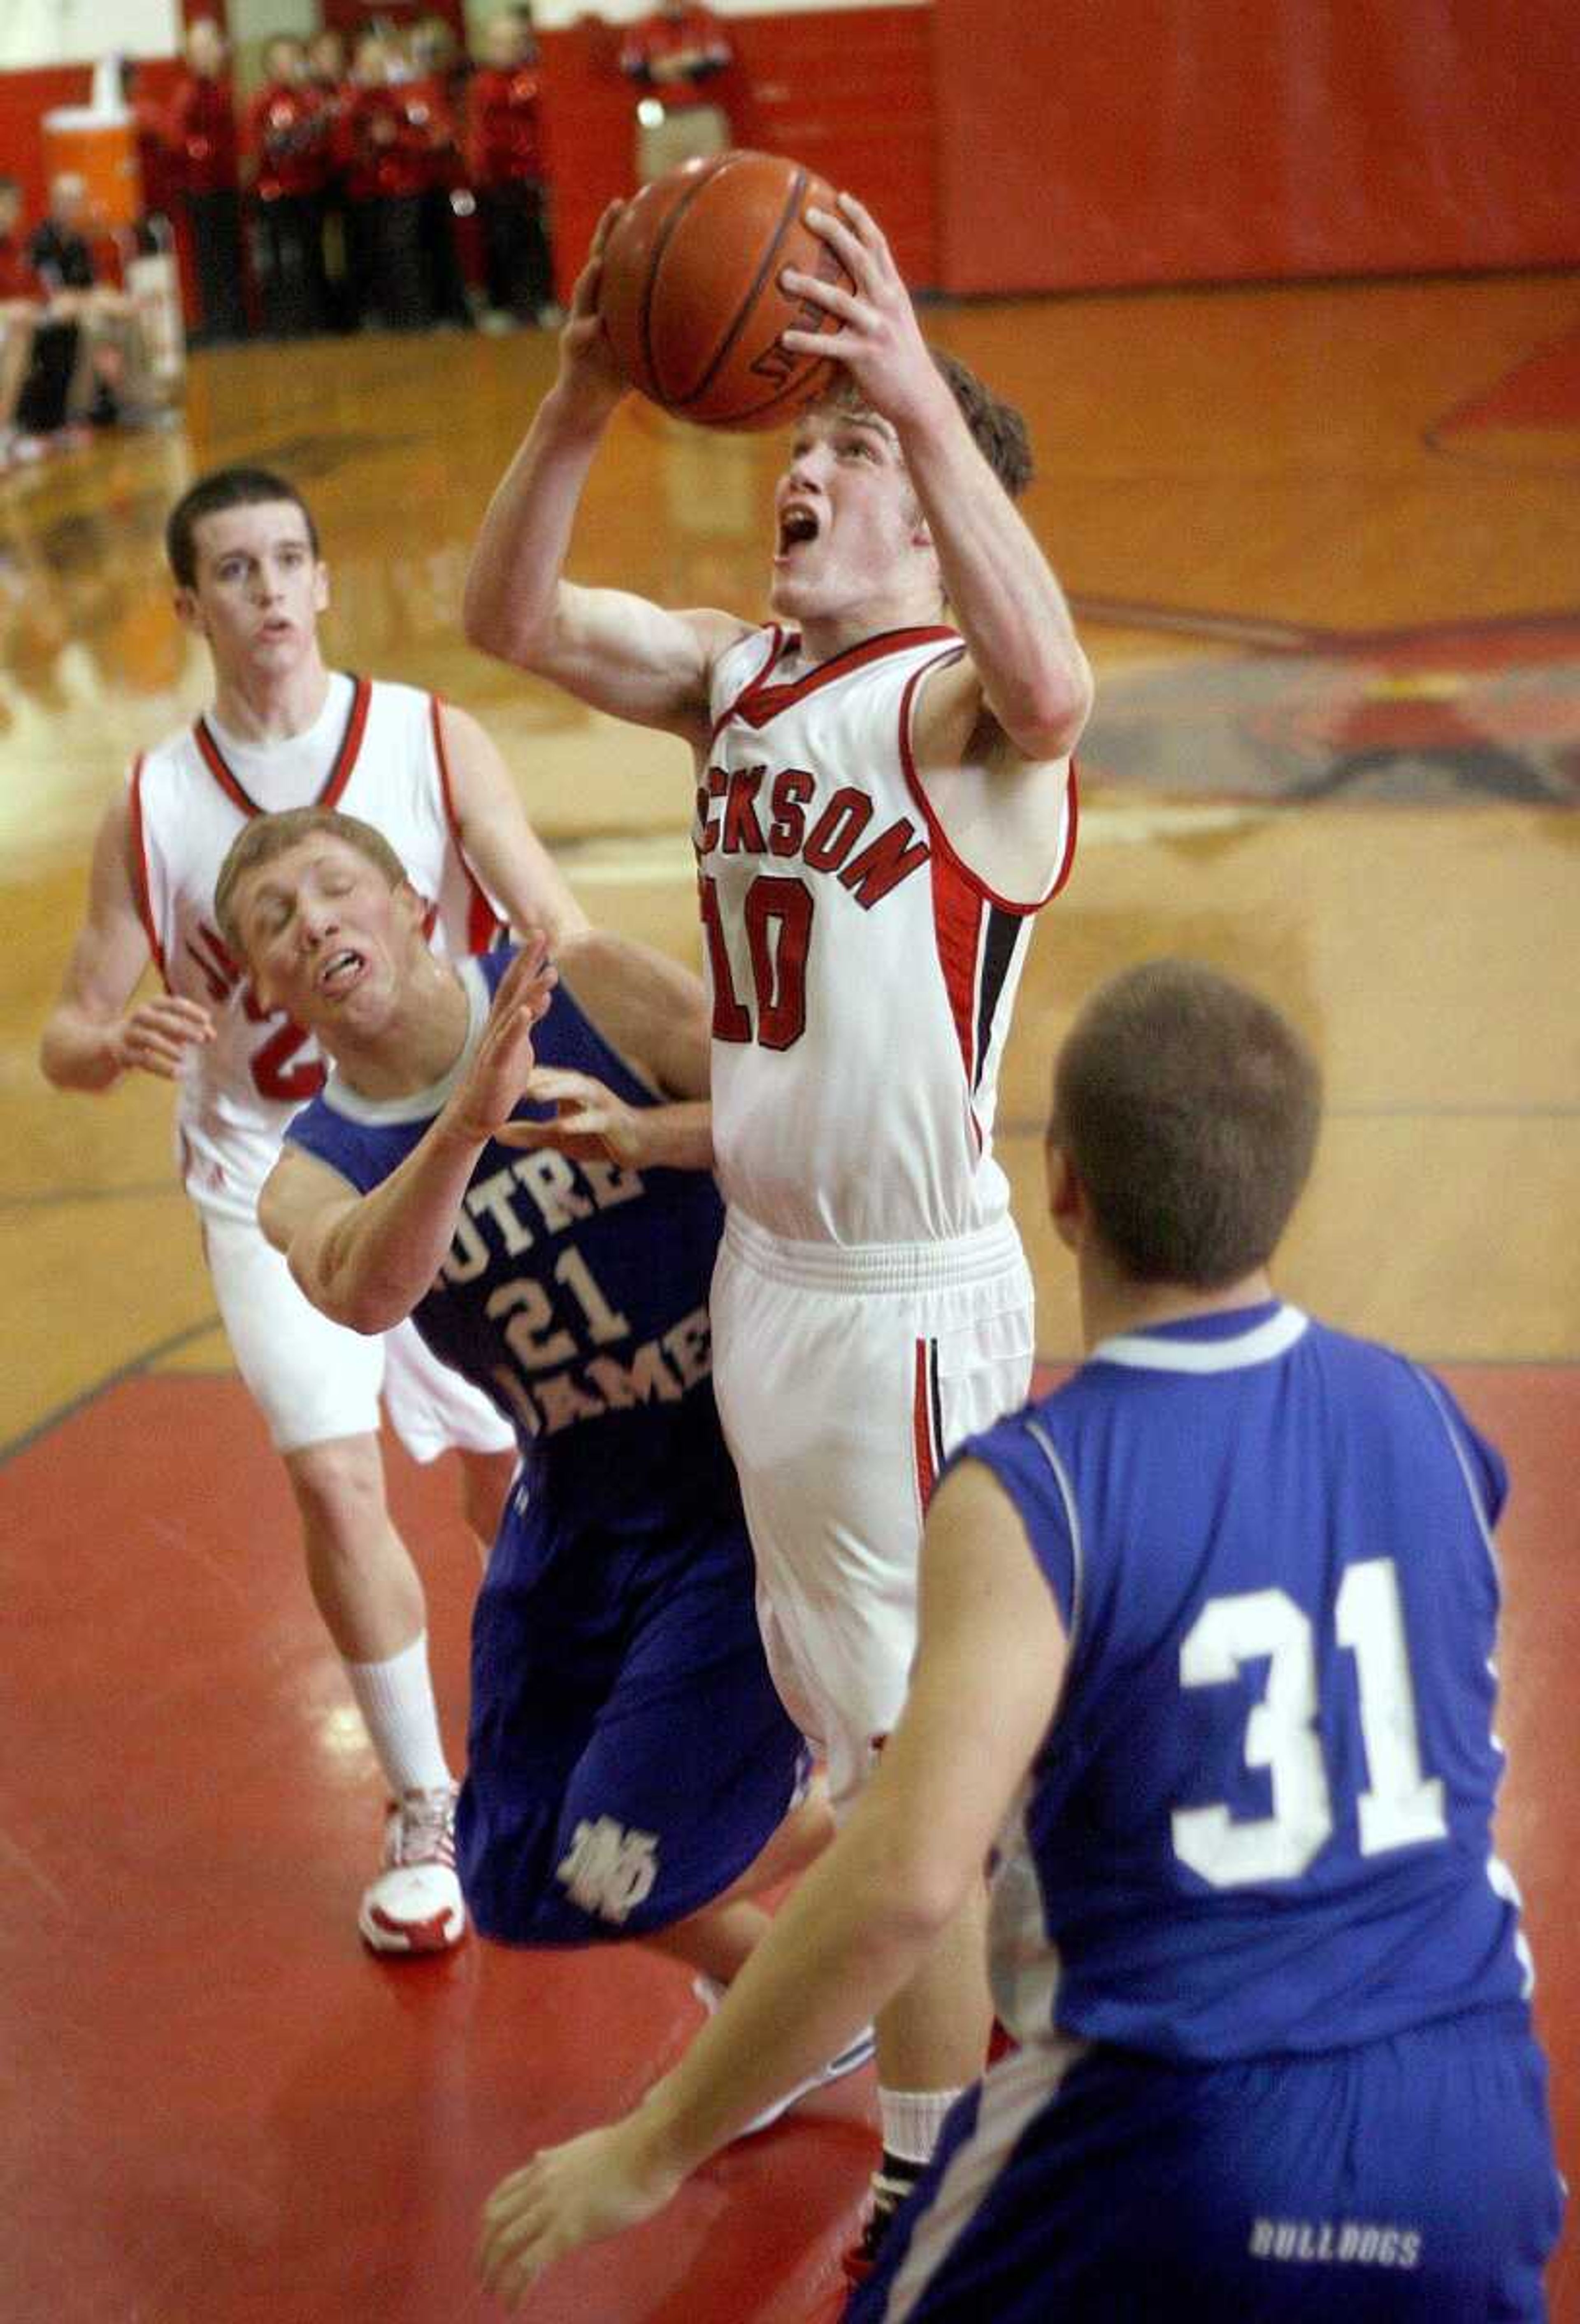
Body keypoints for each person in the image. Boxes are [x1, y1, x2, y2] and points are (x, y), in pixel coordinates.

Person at [476, 956, 1565, 2321]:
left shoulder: (1040, 1485)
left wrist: (650, 2146)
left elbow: (909, 1884)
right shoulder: (1432, 1422)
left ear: (1061, 1188)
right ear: (1296, 1184)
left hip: (1177, 2123)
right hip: (1469, 2126)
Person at [463, 190, 1092, 2265]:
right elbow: (515, 620)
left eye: (854, 451)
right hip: (778, 1273)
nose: (802, 467)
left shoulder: (954, 720)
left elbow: (1058, 682)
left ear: (938, 513)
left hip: (901, 1303)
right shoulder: (744, 681)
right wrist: (574, 395)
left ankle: (953, 2159)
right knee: (869, 1732)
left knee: (911, 1768)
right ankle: (939, 2091)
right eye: (798, 438)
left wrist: (914, 379)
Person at [221, 803, 871, 2125]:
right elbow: (361, 1289)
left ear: (411, 904)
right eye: (276, 925)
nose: (313, 925)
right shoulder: (301, 1172)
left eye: (334, 891)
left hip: (749, 1453)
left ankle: (821, 1954)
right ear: (271, 991)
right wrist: (465, 1122)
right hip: (580, 1485)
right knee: (516, 1864)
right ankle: (831, 1928)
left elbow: (813, 1114)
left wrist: (647, 1137)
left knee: (636, 1841)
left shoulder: (589, 982)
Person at [39, 465, 588, 1956]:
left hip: (443, 1153)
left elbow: (552, 915)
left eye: (291, 559)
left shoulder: (423, 735)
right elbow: (69, 1033)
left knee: (517, 1478)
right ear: (187, 607)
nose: (270, 591)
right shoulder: (152, 802)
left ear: (327, 582)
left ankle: (571, 1690)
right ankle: (423, 1797)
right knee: (336, 1481)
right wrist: (120, 1041)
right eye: (235, 569)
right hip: (266, 1178)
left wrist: (598, 1040)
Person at [465, 12, 556, 330]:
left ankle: (539, 302)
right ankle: (504, 305)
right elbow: (478, 132)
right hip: (495, 177)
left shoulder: (535, 81)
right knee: (500, 241)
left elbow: (546, 128)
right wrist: (477, 170)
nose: (507, 48)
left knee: (535, 240)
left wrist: (544, 168)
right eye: (500, 42)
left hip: (531, 175)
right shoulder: (481, 85)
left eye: (514, 41)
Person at [242, 34, 332, 339]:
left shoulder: (311, 99)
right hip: (274, 192)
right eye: (282, 58)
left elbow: (323, 144)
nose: (290, 65)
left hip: (308, 189)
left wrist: (309, 137)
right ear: (270, 65)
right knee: (279, 257)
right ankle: (282, 322)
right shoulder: (260, 101)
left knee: (311, 253)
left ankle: (314, 318)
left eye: (294, 57)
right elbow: (253, 147)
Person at [166, 16, 249, 345]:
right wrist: (203, 152)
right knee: (210, 259)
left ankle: (235, 325)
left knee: (231, 255)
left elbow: (237, 135)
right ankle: (219, 327)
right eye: (197, 49)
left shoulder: (225, 89)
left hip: (227, 185)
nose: (204, 55)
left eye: (209, 47)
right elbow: (176, 140)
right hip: (201, 190)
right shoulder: (187, 93)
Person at [617, 0, 734, 182]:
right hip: (656, 115)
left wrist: (665, 67)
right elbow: (635, 71)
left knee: (712, 180)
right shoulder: (643, 27)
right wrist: (686, 62)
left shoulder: (705, 21)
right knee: (657, 183)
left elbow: (718, 64)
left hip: (702, 112)